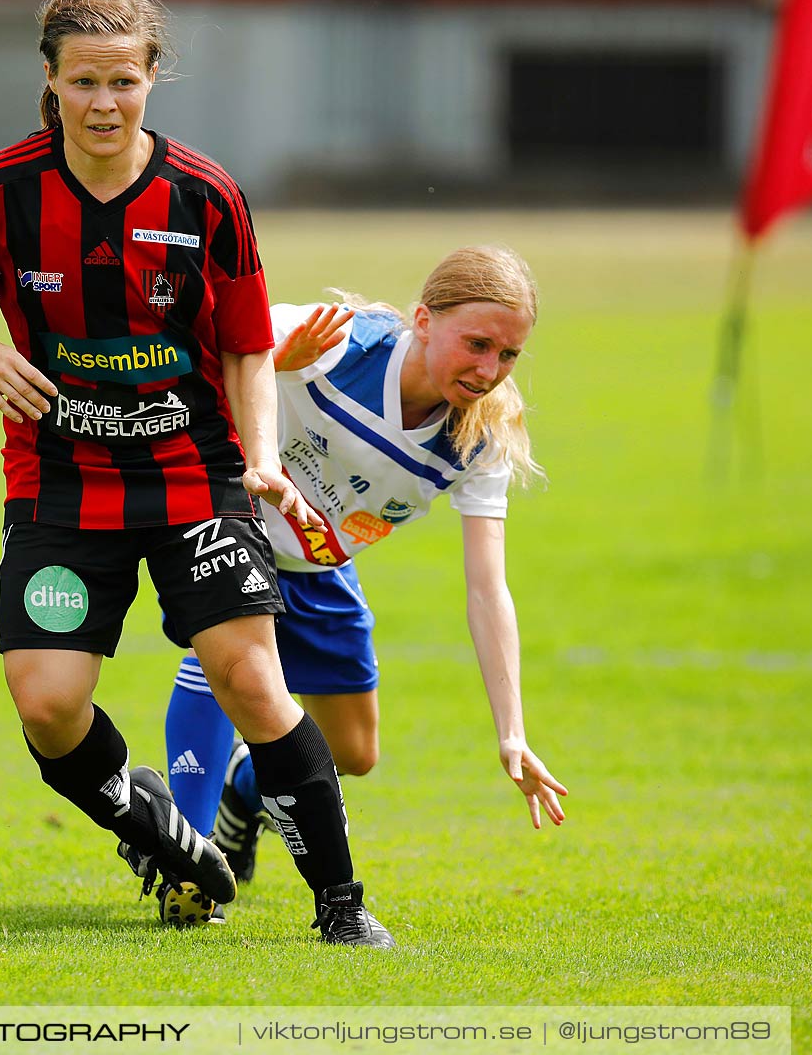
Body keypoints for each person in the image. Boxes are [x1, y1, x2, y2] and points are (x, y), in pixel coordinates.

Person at [0, 0, 393, 946]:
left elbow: (251, 347)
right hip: (57, 478)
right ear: (48, 79)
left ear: (153, 78)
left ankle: (342, 906)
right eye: (83, 82)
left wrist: (260, 460)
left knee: (251, 678)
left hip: (193, 474)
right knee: (48, 706)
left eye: (123, 81)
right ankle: (162, 834)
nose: (103, 103)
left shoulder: (206, 195)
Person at [161, 247, 570, 906]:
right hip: (229, 521)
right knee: (227, 660)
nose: (489, 369)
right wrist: (269, 368)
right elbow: (201, 353)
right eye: (477, 343)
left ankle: (246, 787)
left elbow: (487, 586)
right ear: (423, 321)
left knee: (352, 753)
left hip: (318, 565)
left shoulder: (481, 437)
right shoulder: (333, 340)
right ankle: (186, 864)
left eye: (508, 354)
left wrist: (512, 731)